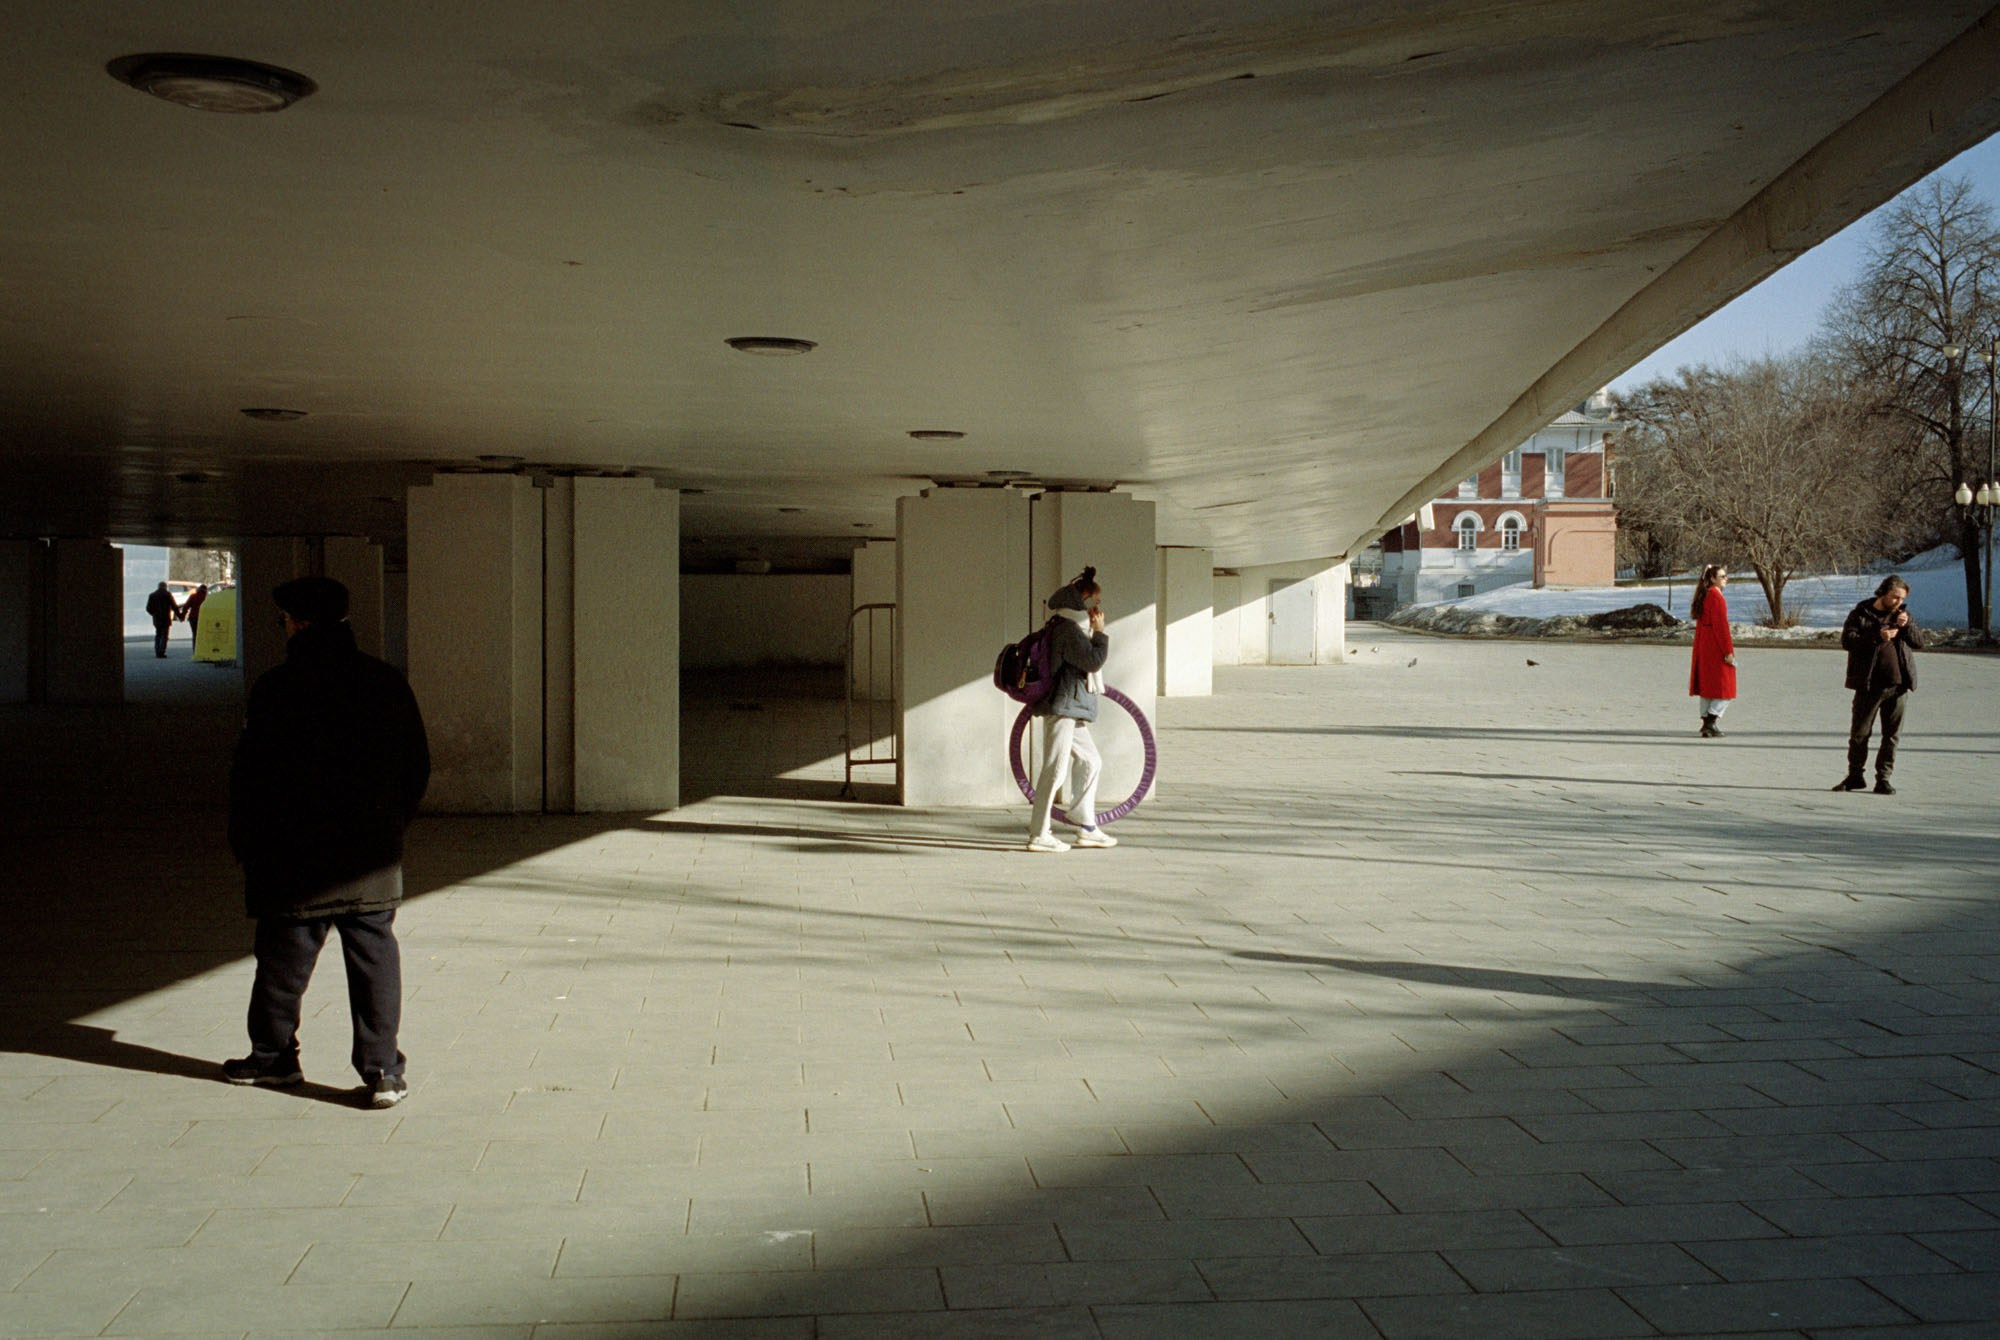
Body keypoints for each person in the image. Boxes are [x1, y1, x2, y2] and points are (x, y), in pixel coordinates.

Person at [225, 577, 430, 1107]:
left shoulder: (276, 689)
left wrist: (249, 839)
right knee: (374, 959)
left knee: (282, 962)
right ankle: (383, 1070)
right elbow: (416, 766)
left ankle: (273, 1057)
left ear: (296, 623)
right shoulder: (385, 682)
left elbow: (251, 776)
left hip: (295, 856)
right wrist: (390, 825)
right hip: (370, 855)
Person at [1026, 566, 1119, 853]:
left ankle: (1086, 824)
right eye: (1096, 601)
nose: (1098, 609)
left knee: (1091, 760)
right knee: (1055, 770)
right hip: (1063, 706)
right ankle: (1039, 834)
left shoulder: (1066, 626)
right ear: (1083, 599)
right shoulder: (1068, 629)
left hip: (1071, 706)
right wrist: (1100, 634)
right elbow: (1092, 661)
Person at [1832, 574, 1923, 796]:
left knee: (1891, 736)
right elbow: (1848, 641)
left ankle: (1883, 778)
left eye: (1902, 598)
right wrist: (1877, 636)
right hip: (1869, 685)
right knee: (1859, 734)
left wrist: (1907, 625)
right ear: (1883, 593)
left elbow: (1919, 642)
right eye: (1895, 597)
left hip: (1898, 686)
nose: (1899, 602)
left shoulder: (1903, 615)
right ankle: (1855, 776)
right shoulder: (1861, 613)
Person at [1688, 564, 1737, 737]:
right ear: (1712, 579)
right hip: (1715, 648)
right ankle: (1710, 721)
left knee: (1708, 687)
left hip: (1705, 646)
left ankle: (1706, 723)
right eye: (1722, 576)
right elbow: (1721, 627)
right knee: (1725, 687)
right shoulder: (1716, 597)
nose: (1726, 579)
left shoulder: (1705, 595)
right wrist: (1728, 651)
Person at [145, 581, 177, 658]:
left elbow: (148, 608)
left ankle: (157, 651)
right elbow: (174, 606)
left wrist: (154, 614)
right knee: (164, 635)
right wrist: (180, 616)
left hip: (157, 619)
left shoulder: (152, 595)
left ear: (158, 586)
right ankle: (161, 651)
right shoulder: (168, 595)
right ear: (165, 587)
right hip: (165, 618)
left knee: (158, 634)